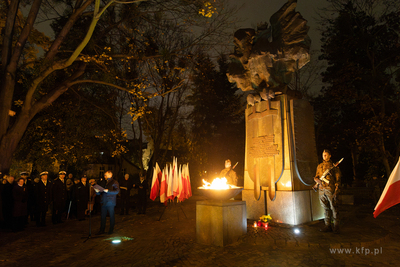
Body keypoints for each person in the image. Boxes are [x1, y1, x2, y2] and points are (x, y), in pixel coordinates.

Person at [314, 149, 342, 234]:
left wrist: (337, 189)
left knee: (334, 207)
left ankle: (336, 227)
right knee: (325, 208)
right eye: (323, 155)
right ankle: (328, 226)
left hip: (330, 188)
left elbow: (338, 178)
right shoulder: (319, 166)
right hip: (321, 189)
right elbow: (316, 176)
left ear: (330, 156)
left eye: (326, 155)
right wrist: (317, 181)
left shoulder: (333, 167)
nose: (324, 156)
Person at [95, 171, 119, 235]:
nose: (104, 176)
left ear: (110, 175)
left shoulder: (114, 182)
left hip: (110, 201)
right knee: (103, 216)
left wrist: (108, 191)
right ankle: (102, 229)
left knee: (111, 216)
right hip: (104, 201)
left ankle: (111, 229)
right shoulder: (104, 182)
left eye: (105, 175)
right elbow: (101, 191)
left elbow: (117, 191)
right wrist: (97, 192)